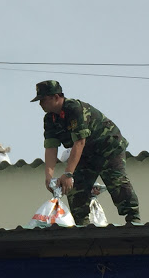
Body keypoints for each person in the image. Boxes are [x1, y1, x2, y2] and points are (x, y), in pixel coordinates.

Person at [31, 80, 140, 225]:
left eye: (43, 99)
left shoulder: (74, 109)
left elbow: (79, 141)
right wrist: (48, 176)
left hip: (108, 147)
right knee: (75, 188)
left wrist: (68, 173)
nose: (40, 104)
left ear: (56, 97)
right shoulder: (50, 119)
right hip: (86, 154)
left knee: (116, 182)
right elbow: (51, 147)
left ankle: (133, 219)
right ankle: (83, 225)